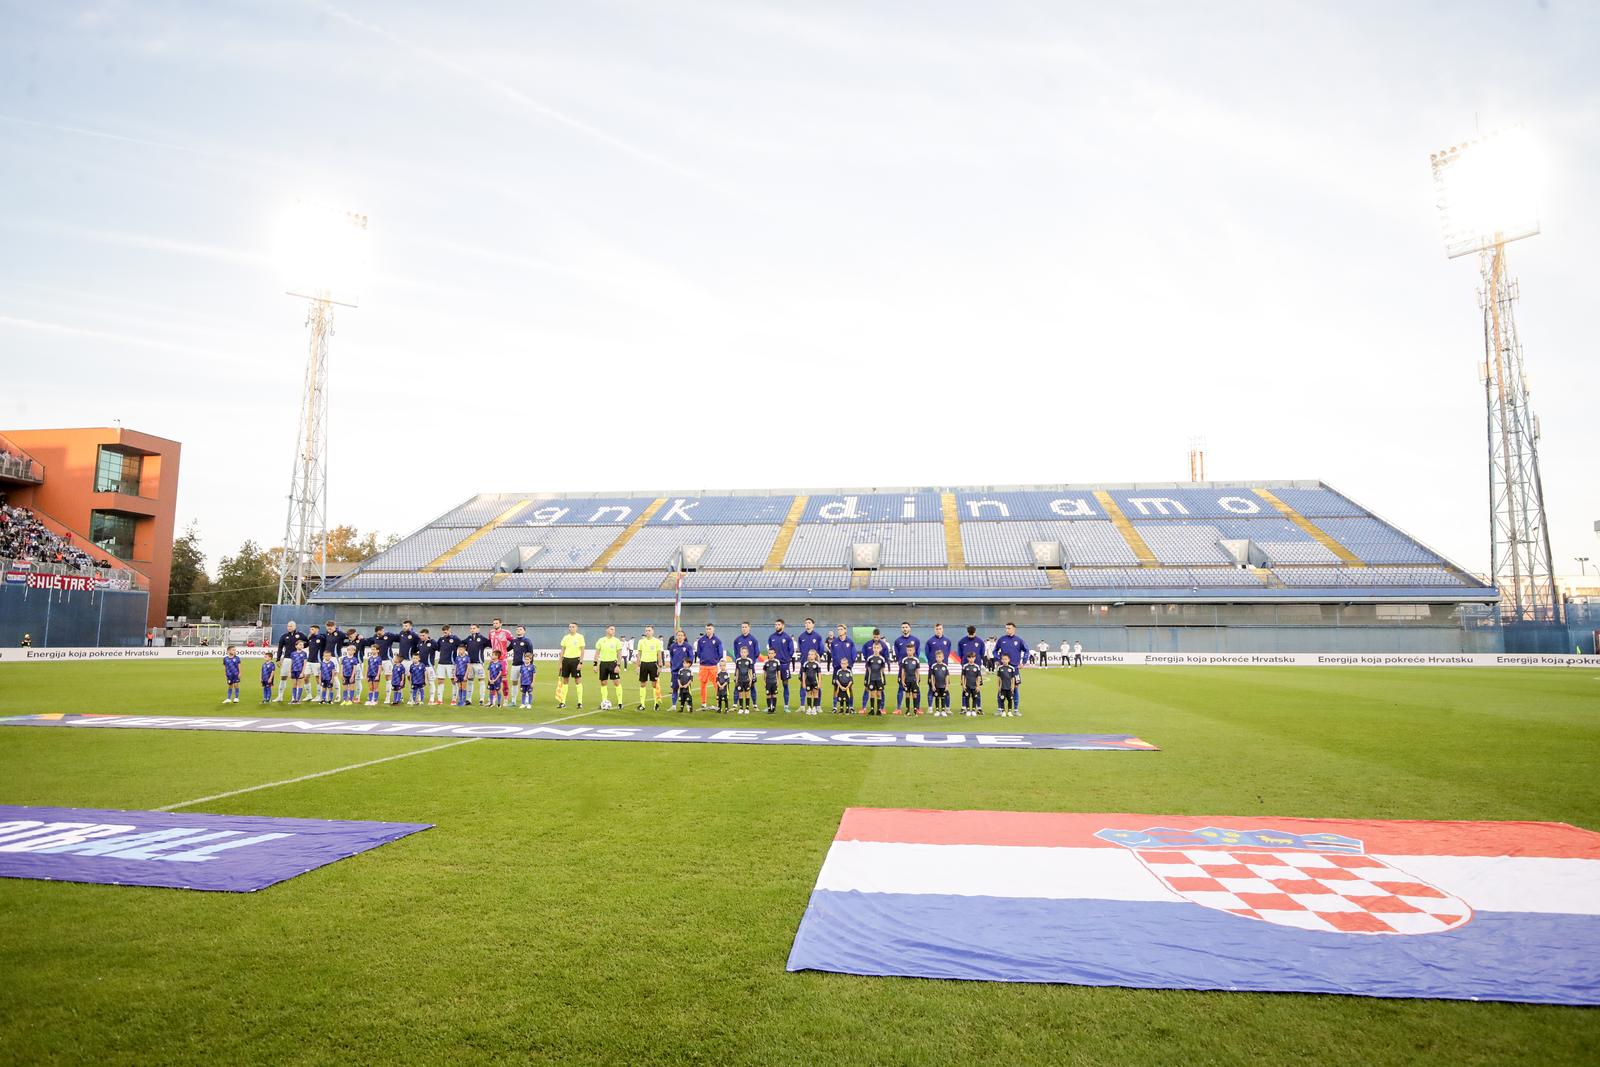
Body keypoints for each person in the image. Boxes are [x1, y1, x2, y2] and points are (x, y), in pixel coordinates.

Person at [556, 622, 586, 710]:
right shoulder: (565, 637)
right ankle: (563, 702)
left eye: (573, 627)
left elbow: (582, 651)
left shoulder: (580, 637)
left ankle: (580, 702)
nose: (571, 628)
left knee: (577, 681)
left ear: (576, 628)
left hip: (575, 660)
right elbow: (562, 651)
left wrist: (580, 662)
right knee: (565, 681)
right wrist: (560, 663)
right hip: (566, 660)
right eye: (570, 627)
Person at [767, 618, 796, 710]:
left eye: (778, 625)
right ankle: (771, 705)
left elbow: (791, 651)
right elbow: (770, 650)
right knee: (771, 684)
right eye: (775, 625)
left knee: (785, 684)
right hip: (773, 664)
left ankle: (786, 706)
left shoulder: (787, 638)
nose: (777, 626)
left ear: (783, 626)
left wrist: (786, 659)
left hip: (784, 665)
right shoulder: (771, 637)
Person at [694, 624, 724, 710]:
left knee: (716, 684)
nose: (708, 630)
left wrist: (715, 660)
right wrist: (703, 658)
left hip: (713, 666)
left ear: (713, 629)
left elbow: (720, 653)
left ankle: (719, 702)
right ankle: (703, 703)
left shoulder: (717, 640)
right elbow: (698, 653)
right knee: (703, 685)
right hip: (703, 666)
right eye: (707, 629)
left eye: (710, 629)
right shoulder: (701, 640)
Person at [860, 629, 891, 710]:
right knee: (867, 687)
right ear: (872, 636)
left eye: (877, 637)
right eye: (874, 637)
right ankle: (864, 707)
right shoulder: (867, 644)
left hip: (879, 671)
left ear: (879, 636)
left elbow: (886, 656)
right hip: (870, 671)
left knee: (880, 690)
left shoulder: (883, 645)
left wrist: (884, 665)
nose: (876, 638)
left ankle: (881, 708)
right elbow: (864, 653)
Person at [892, 622, 920, 711]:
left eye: (906, 627)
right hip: (903, 668)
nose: (904, 629)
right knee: (901, 687)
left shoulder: (916, 640)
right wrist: (901, 662)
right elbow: (896, 654)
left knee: (916, 688)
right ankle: (898, 708)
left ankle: (917, 708)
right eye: (903, 627)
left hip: (913, 669)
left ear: (909, 628)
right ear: (901, 629)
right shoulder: (897, 641)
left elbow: (917, 653)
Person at [595, 624, 624, 708]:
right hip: (603, 663)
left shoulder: (616, 641)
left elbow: (619, 654)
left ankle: (620, 703)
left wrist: (618, 665)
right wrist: (595, 664)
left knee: (616, 682)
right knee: (603, 683)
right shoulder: (601, 640)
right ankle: (604, 701)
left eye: (614, 629)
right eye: (611, 629)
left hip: (613, 664)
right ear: (607, 630)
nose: (613, 631)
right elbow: (597, 653)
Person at [635, 625, 663, 710]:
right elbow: (639, 654)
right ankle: (642, 704)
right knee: (643, 684)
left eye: (649, 630)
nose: (647, 632)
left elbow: (659, 654)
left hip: (653, 664)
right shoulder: (641, 641)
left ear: (653, 631)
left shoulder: (657, 642)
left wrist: (660, 665)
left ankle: (656, 704)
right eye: (646, 630)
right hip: (643, 664)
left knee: (654, 684)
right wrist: (637, 666)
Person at [434, 625, 461, 705]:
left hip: (451, 664)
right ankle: (439, 700)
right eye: (443, 632)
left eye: (446, 631)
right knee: (440, 681)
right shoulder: (441, 639)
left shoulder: (455, 638)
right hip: (441, 663)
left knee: (453, 681)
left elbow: (462, 646)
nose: (445, 633)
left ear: (450, 630)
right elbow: (438, 648)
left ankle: (454, 699)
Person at [463, 623, 490, 704]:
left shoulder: (482, 638)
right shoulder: (468, 638)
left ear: (478, 629)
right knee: (470, 681)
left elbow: (491, 644)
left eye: (474, 628)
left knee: (481, 680)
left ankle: (481, 699)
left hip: (479, 664)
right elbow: (461, 643)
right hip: (470, 664)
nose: (472, 630)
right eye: (471, 628)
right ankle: (468, 699)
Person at [274, 620, 301, 702]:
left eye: (291, 626)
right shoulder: (284, 636)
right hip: (286, 659)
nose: (289, 627)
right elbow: (280, 648)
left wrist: (300, 648)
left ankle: (294, 697)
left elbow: (306, 642)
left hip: (296, 660)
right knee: (283, 677)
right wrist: (278, 659)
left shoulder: (300, 635)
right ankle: (280, 696)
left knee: (295, 679)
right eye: (288, 626)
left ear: (295, 627)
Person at [487, 618, 513, 702]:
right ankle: (493, 698)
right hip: (493, 659)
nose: (495, 624)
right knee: (492, 678)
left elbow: (513, 642)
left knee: (504, 679)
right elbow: (490, 643)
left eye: (496, 623)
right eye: (494, 623)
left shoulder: (506, 633)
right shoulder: (491, 632)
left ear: (500, 624)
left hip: (503, 659)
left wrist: (507, 649)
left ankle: (505, 698)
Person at [666, 629, 691, 709]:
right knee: (674, 689)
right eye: (678, 635)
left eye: (681, 635)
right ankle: (673, 705)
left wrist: (687, 667)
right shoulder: (673, 646)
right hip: (675, 671)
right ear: (676, 637)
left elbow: (691, 658)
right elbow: (672, 656)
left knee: (686, 689)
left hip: (684, 672)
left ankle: (688, 705)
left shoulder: (687, 646)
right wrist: (672, 666)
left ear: (684, 637)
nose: (680, 637)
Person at [863, 641, 889, 715]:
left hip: (879, 679)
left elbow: (882, 670)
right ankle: (872, 710)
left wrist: (883, 680)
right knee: (872, 694)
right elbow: (868, 670)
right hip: (871, 679)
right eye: (874, 647)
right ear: (872, 648)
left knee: (878, 694)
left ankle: (878, 710)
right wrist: (867, 679)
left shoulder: (882, 659)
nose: (876, 649)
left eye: (877, 648)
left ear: (880, 649)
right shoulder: (869, 658)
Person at [898, 648, 922, 715]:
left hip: (914, 680)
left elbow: (917, 672)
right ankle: (907, 710)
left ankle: (915, 710)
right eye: (908, 650)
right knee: (907, 695)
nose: (909, 652)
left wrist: (917, 681)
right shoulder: (904, 660)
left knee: (914, 695)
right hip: (907, 680)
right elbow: (903, 672)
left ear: (914, 651)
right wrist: (902, 681)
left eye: (910, 650)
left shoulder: (916, 660)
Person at [734, 647, 757, 714]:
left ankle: (747, 708)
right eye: (742, 652)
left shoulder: (749, 660)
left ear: (747, 653)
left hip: (747, 680)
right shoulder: (738, 660)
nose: (743, 653)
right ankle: (741, 708)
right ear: (740, 653)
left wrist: (750, 680)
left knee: (747, 694)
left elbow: (750, 671)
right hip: (740, 680)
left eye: (745, 652)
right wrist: (736, 679)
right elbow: (737, 670)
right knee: (740, 694)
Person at [800, 650, 823, 715]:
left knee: (815, 694)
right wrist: (803, 683)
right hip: (808, 682)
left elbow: (819, 674)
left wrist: (819, 683)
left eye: (812, 654)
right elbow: (804, 674)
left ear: (815, 656)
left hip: (815, 681)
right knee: (808, 694)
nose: (810, 656)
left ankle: (814, 708)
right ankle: (809, 708)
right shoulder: (805, 664)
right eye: (809, 654)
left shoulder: (817, 664)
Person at [928, 651, 950, 716]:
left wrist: (947, 685)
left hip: (943, 685)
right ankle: (937, 711)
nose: (938, 658)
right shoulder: (933, 666)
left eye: (940, 657)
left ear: (943, 658)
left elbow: (947, 676)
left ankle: (943, 710)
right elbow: (932, 676)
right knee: (937, 697)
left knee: (943, 697)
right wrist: (933, 685)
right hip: (936, 686)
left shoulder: (945, 666)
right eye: (937, 657)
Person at [289, 639, 309, 705]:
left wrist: (302, 672)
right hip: (293, 671)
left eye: (302, 645)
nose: (302, 646)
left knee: (300, 684)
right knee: (294, 684)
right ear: (296, 646)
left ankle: (298, 699)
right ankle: (294, 699)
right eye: (300, 644)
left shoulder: (304, 654)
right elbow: (291, 663)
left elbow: (305, 663)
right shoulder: (293, 653)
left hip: (300, 671)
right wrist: (290, 671)